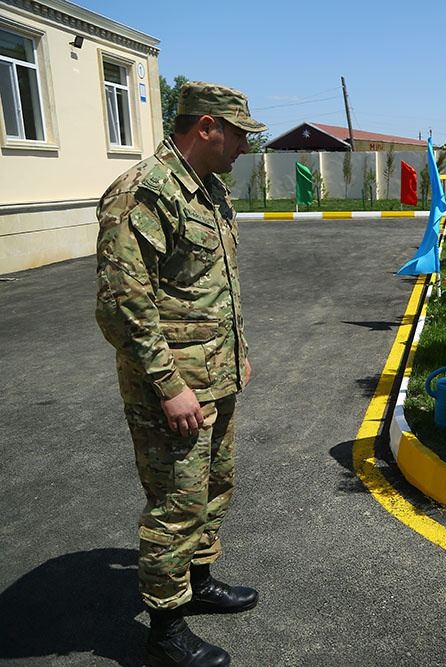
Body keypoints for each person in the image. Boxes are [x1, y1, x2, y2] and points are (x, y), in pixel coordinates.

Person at [95, 81, 265, 667]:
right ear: (208, 126)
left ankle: (199, 582)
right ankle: (164, 632)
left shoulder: (210, 189)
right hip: (174, 387)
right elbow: (124, 302)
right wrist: (168, 386)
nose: (246, 145)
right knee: (176, 503)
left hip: (216, 376)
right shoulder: (145, 191)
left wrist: (237, 351)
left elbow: (207, 287)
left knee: (213, 490)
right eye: (241, 133)